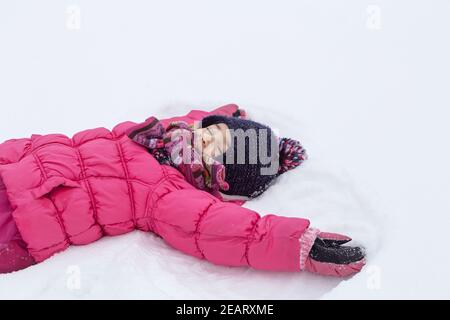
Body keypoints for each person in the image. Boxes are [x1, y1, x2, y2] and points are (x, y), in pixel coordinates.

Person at [0, 104, 365, 276]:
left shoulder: (169, 192)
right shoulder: (155, 132)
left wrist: (296, 243)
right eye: (211, 130)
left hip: (25, 222)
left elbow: (221, 229)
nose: (202, 137)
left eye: (213, 147)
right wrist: (230, 112)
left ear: (219, 177)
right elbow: (196, 119)